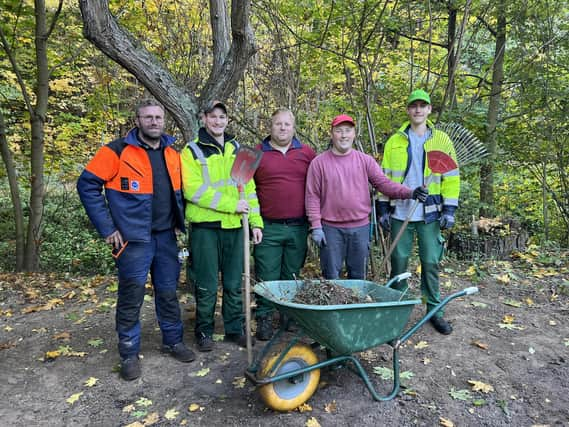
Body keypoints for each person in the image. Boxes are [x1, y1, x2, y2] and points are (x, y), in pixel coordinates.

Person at [77, 99, 195, 381]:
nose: (154, 122)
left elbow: (177, 194)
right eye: (148, 117)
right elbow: (87, 184)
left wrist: (179, 223)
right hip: (132, 240)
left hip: (166, 237)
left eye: (158, 117)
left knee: (167, 292)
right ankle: (129, 352)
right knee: (131, 296)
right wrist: (107, 229)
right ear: (137, 120)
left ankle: (173, 341)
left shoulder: (172, 153)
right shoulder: (116, 151)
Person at [180, 100, 263, 352]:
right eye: (213, 116)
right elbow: (194, 190)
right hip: (206, 227)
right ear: (204, 119)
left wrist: (256, 222)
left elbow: (248, 189)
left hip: (235, 227)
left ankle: (233, 329)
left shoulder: (238, 149)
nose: (218, 121)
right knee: (206, 283)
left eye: (222, 117)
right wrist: (231, 205)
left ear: (228, 120)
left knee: (234, 282)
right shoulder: (192, 151)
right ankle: (204, 330)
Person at [305, 114, 427, 281]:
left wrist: (411, 192)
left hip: (360, 228)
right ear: (332, 134)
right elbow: (312, 197)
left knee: (358, 277)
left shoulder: (365, 161)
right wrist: (316, 226)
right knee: (331, 278)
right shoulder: (319, 163)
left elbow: (384, 184)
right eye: (339, 131)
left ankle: (357, 307)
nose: (343, 135)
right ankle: (334, 308)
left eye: (348, 131)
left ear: (354, 134)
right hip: (330, 229)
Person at [378, 89, 460, 335]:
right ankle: (398, 310)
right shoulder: (395, 140)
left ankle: (434, 311)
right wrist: (382, 207)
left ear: (429, 110)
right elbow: (385, 177)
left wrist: (449, 209)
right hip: (400, 212)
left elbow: (452, 177)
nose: (418, 110)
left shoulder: (441, 140)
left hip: (430, 214)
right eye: (413, 106)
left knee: (430, 262)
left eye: (422, 106)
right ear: (408, 110)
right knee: (399, 262)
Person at [253, 109, 316, 340]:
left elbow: (318, 185)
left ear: (294, 127)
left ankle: (288, 315)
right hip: (268, 226)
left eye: (287, 124)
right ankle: (265, 317)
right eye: (278, 124)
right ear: (270, 126)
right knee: (267, 274)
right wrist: (253, 221)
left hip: (298, 226)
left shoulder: (307, 153)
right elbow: (244, 187)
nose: (282, 128)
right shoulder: (256, 153)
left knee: (291, 274)